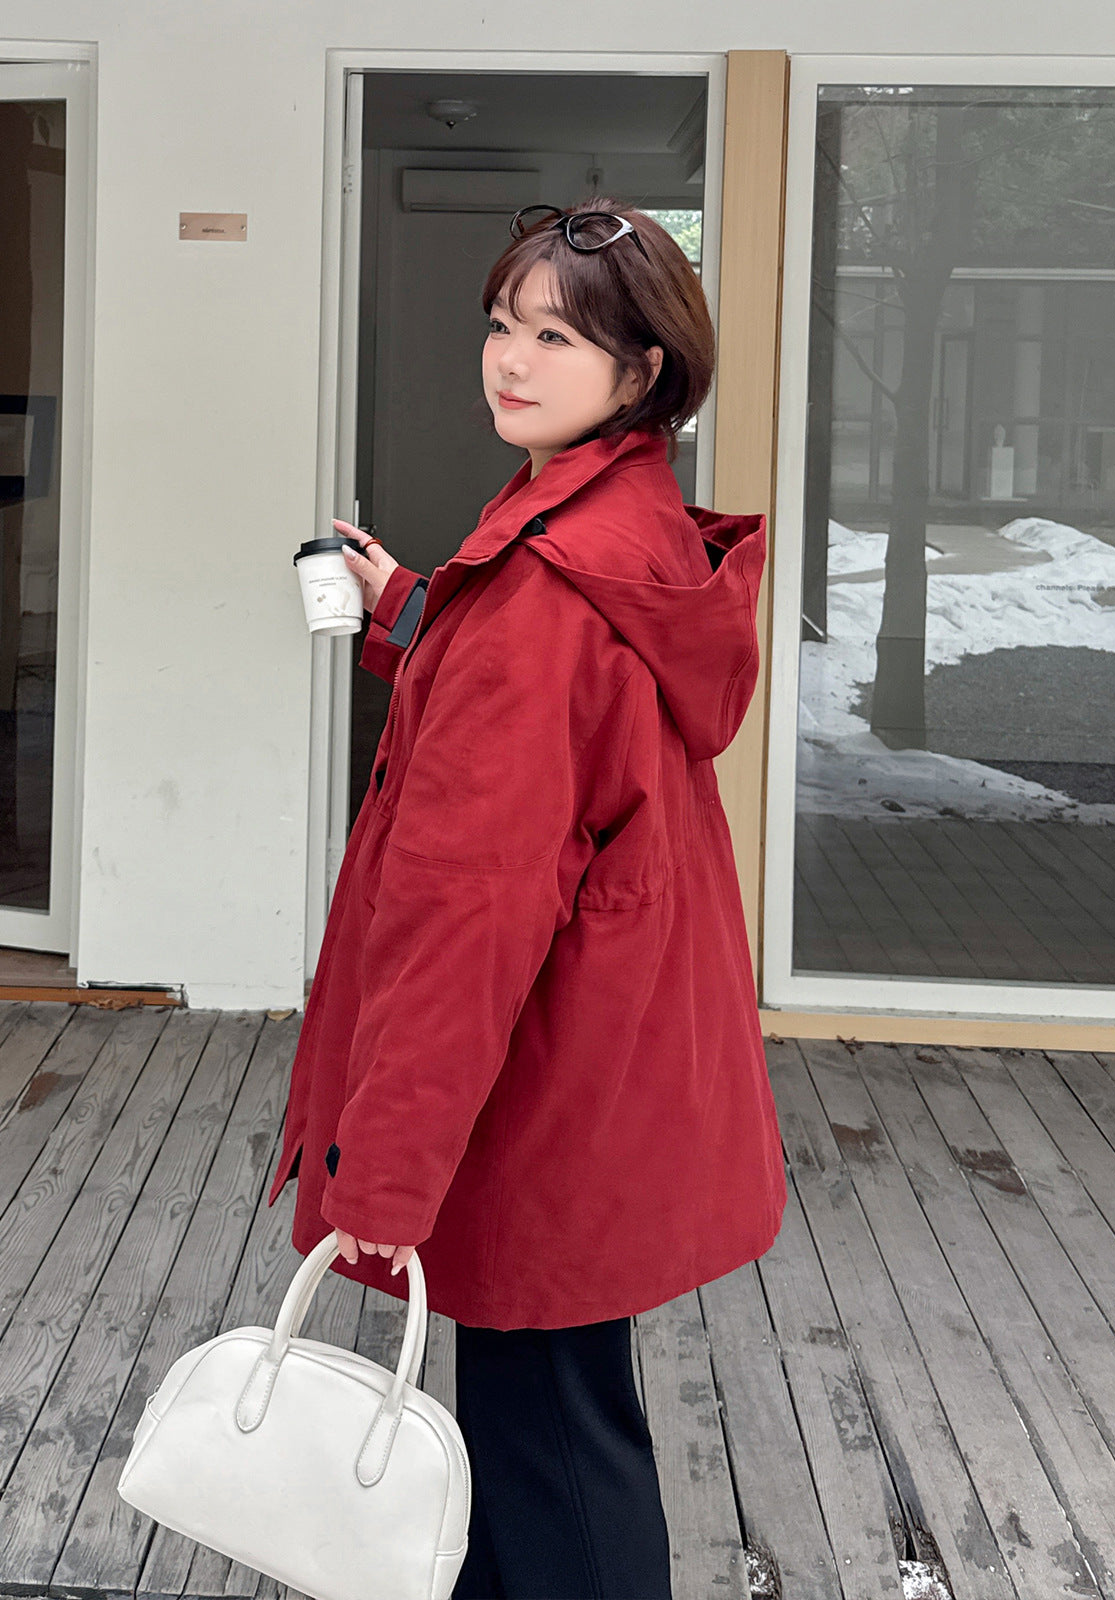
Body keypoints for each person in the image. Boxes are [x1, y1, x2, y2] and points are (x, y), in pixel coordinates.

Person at [266, 198, 789, 1600]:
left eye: (557, 337)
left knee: (552, 1440)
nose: (511, 358)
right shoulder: (620, 527)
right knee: (544, 1420)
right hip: (606, 1061)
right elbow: (568, 732)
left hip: (539, 1081)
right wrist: (418, 615)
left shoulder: (549, 591)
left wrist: (384, 1169)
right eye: (504, 323)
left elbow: (472, 913)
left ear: (643, 370)